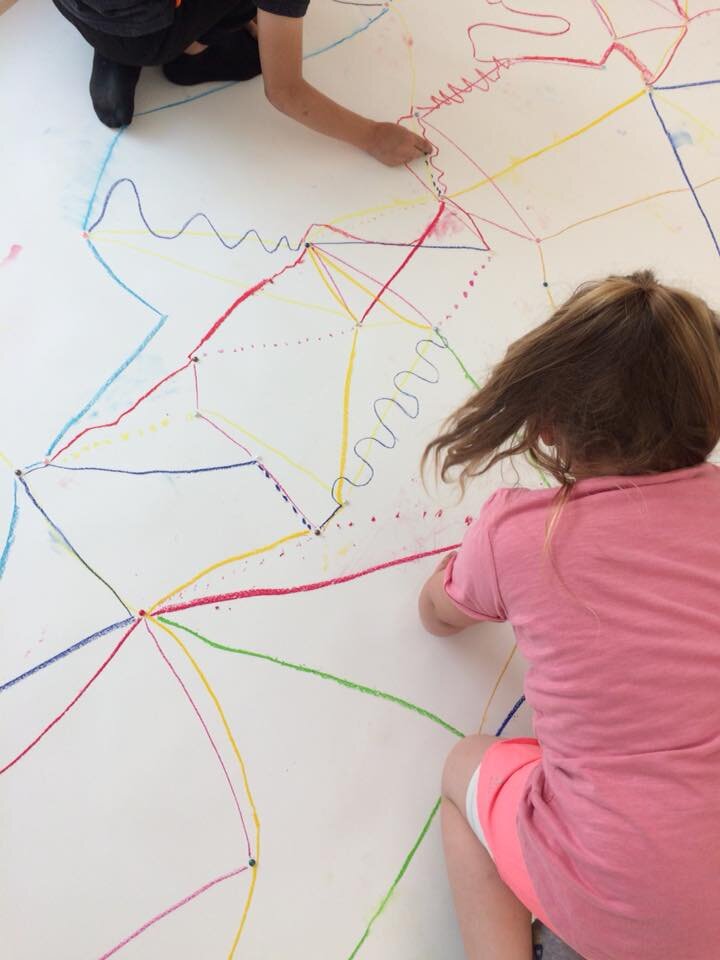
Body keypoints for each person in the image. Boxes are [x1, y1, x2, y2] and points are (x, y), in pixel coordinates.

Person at [418, 271, 720, 960]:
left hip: (622, 911)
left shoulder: (520, 532)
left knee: (468, 762)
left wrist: (449, 580)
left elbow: (438, 615)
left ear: (547, 420)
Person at [50, 0, 432, 165]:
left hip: (79, 13)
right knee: (256, 54)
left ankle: (119, 52)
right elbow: (285, 91)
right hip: (147, 35)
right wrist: (372, 136)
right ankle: (187, 54)